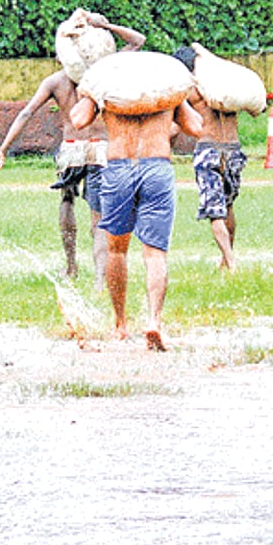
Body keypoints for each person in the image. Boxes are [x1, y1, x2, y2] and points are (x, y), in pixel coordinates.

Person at [0, 11, 145, 280]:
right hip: (99, 149)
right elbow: (138, 41)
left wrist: (2, 149)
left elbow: (26, 113)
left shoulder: (57, 81)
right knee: (97, 217)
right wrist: (104, 25)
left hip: (71, 149)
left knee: (67, 201)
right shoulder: (104, 75)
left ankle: (72, 266)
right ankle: (97, 278)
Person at [69, 61, 203, 351]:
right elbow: (195, 127)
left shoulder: (108, 89)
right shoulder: (166, 91)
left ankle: (120, 324)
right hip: (157, 168)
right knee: (155, 254)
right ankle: (154, 321)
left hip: (119, 167)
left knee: (117, 250)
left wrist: (88, 94)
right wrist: (172, 111)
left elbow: (78, 120)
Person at [172, 46, 250, 271]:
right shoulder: (225, 87)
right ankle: (226, 259)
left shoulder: (191, 91)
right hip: (233, 149)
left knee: (214, 211)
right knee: (228, 205)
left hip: (208, 150)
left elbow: (180, 122)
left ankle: (231, 263)